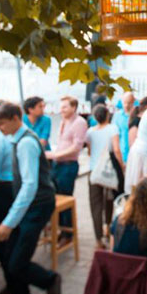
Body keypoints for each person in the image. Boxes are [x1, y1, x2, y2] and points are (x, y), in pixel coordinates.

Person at [0, 102, 61, 294]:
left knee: (17, 263)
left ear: (15, 118)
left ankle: (49, 280)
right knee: (14, 262)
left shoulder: (26, 144)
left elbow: (30, 185)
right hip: (32, 205)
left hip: (37, 205)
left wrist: (9, 222)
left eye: (2, 123)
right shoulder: (18, 139)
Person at [46, 96, 88, 242]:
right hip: (58, 163)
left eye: (64, 107)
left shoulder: (79, 122)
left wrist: (56, 154)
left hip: (68, 164)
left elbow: (77, 147)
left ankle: (67, 232)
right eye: (61, 107)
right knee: (56, 196)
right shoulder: (64, 121)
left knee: (65, 197)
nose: (61, 110)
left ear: (73, 107)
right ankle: (59, 227)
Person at [86, 104, 123, 248]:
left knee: (95, 205)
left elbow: (89, 152)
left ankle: (98, 239)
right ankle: (108, 227)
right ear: (108, 115)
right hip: (108, 171)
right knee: (109, 200)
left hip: (94, 171)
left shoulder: (90, 132)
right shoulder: (112, 128)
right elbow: (116, 150)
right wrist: (122, 166)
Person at [113, 91, 135, 163]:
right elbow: (113, 134)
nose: (126, 105)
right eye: (124, 102)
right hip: (121, 152)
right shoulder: (117, 115)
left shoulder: (136, 115)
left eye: (129, 103)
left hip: (133, 152)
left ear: (133, 102)